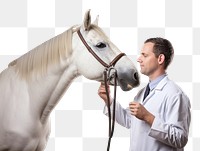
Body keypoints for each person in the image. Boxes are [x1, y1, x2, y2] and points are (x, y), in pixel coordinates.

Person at [98, 37, 191, 151]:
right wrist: (108, 99)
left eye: (145, 55)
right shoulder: (142, 93)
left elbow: (180, 139)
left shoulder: (176, 95)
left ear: (160, 59)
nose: (139, 59)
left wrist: (148, 117)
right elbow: (129, 120)